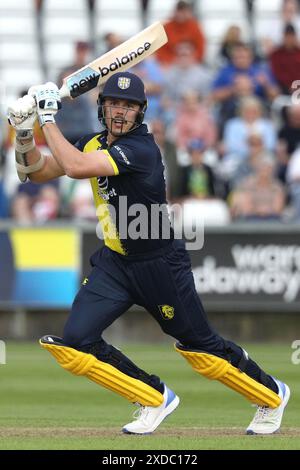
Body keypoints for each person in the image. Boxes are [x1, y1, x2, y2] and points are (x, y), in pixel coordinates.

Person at [7, 72, 290, 435]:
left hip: (159, 264)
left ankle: (271, 394)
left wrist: (47, 117)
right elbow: (35, 171)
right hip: (114, 262)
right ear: (103, 108)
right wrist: (24, 132)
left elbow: (76, 168)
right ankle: (153, 397)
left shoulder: (141, 149)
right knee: (76, 343)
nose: (120, 112)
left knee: (201, 349)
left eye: (129, 106)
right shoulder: (93, 142)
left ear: (140, 112)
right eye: (114, 104)